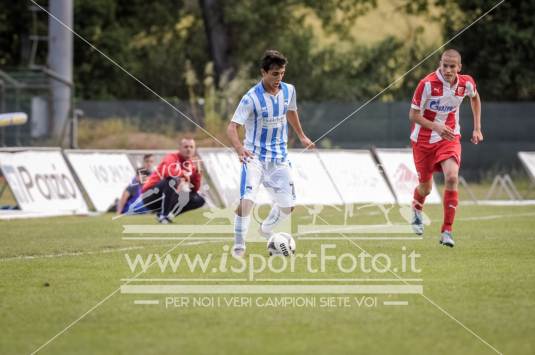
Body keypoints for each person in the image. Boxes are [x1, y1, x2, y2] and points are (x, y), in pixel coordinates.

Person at [227, 49, 315, 256]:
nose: (279, 78)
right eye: (274, 74)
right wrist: (240, 149)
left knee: (288, 206)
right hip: (255, 158)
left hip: (280, 159)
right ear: (263, 73)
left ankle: (266, 229)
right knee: (246, 201)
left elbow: (291, 111)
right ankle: (239, 247)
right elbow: (232, 127)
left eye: (282, 73)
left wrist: (302, 136)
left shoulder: (289, 90)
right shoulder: (251, 98)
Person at [409, 49, 483, 247]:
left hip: (449, 137)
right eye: (445, 65)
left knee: (452, 177)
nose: (448, 70)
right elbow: (413, 116)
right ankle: (416, 209)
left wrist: (477, 128)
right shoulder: (426, 84)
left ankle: (447, 231)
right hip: (422, 141)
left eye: (452, 66)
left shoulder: (466, 83)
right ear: (440, 64)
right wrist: (435, 126)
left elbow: (475, 98)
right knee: (426, 188)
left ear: (459, 67)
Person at [141, 138, 205, 223]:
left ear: (194, 149)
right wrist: (184, 173)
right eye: (186, 147)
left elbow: (195, 189)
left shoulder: (191, 165)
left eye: (191, 147)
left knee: (199, 199)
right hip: (150, 196)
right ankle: (164, 215)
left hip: (167, 198)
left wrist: (197, 172)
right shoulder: (171, 157)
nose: (188, 149)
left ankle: (167, 215)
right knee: (172, 180)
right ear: (180, 148)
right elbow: (169, 173)